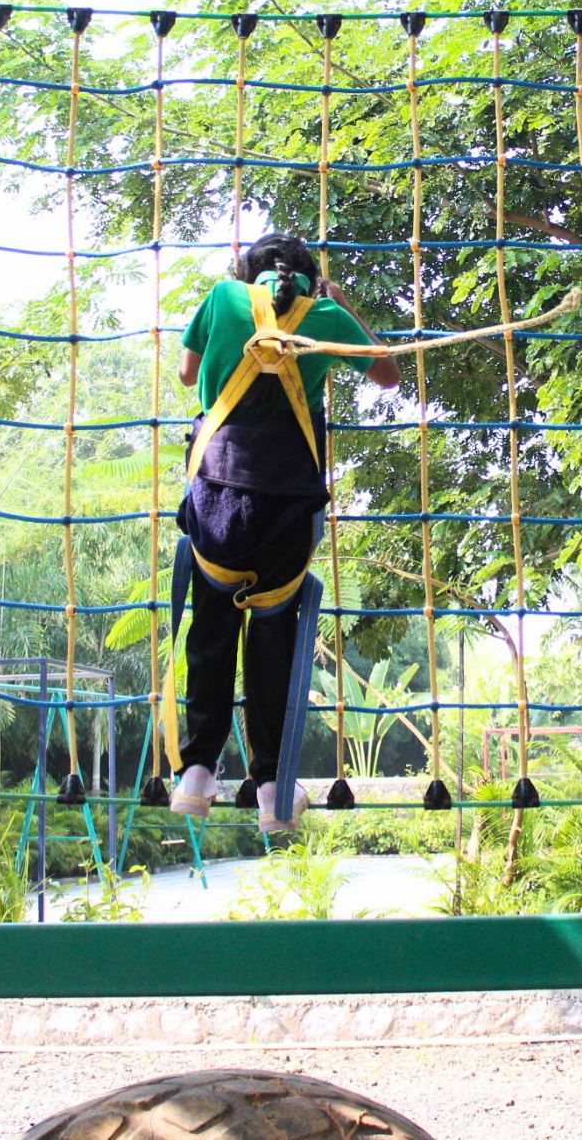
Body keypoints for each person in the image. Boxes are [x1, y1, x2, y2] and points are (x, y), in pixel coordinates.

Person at [171, 233, 399, 833]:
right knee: (273, 642)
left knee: (211, 632)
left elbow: (186, 373)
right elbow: (388, 374)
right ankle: (273, 784)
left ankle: (197, 772)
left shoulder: (222, 298)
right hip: (287, 507)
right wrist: (340, 305)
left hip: (217, 497)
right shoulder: (324, 316)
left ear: (248, 275)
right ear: (309, 280)